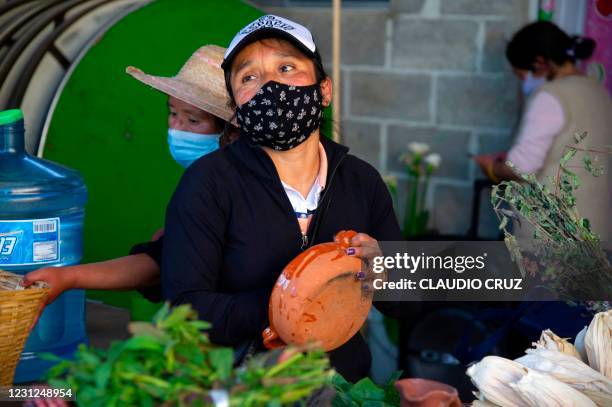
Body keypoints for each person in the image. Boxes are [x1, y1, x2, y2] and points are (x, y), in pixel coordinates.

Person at [160, 15, 402, 382]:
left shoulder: (361, 180)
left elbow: (409, 300)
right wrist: (291, 301)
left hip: (342, 388)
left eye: (286, 68)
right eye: (249, 77)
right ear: (237, 106)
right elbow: (186, 308)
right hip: (246, 389)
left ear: (324, 91)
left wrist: (387, 272)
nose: (269, 85)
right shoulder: (208, 183)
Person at [22, 45, 237, 303]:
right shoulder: (203, 183)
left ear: (232, 134)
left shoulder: (233, 191)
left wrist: (69, 278)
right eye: (172, 113)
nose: (176, 127)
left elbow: (157, 265)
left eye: (192, 120)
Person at [473, 21, 611, 240]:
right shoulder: (598, 91)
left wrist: (492, 167)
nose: (523, 83)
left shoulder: (550, 95)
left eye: (520, 75)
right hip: (598, 231)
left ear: (539, 63)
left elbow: (521, 167)